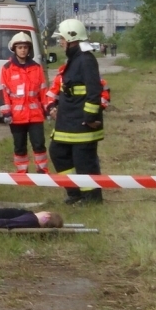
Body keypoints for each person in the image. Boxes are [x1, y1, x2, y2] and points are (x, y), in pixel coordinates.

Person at [47, 19, 104, 205]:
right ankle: (74, 191)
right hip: (68, 120)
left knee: (84, 161)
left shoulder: (86, 60)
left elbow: (94, 91)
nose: (60, 42)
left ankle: (91, 198)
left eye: (62, 39)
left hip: (82, 122)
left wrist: (90, 117)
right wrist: (55, 105)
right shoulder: (74, 59)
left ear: (71, 38)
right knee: (57, 152)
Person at [0, 32, 49, 174]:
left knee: (39, 145)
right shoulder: (7, 68)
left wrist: (47, 109)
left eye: (25, 47)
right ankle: (22, 173)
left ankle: (42, 171)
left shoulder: (36, 68)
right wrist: (6, 113)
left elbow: (43, 91)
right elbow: (4, 93)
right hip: (16, 117)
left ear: (29, 49)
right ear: (14, 49)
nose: (23, 50)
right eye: (20, 47)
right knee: (19, 146)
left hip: (35, 116)